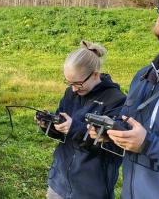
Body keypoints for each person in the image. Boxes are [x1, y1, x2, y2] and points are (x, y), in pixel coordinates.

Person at [88, 0, 159, 199]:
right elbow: (136, 133)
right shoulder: (144, 75)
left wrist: (148, 144)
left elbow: (145, 143)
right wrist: (113, 133)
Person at [37, 40, 126, 199]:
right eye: (69, 83)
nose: (73, 89)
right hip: (59, 184)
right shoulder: (71, 93)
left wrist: (75, 128)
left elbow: (115, 148)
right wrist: (49, 125)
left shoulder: (116, 100)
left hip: (90, 191)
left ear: (95, 74)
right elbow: (63, 132)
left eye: (78, 83)